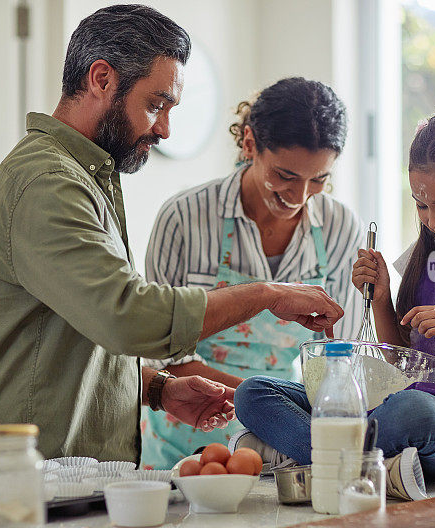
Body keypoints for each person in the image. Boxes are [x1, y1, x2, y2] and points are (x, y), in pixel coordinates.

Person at [0, 4, 344, 468]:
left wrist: (158, 389)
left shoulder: (85, 177)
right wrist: (265, 294)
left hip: (71, 478)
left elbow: (82, 336)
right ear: (101, 79)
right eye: (155, 104)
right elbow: (127, 317)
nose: (164, 128)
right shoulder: (47, 183)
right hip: (25, 480)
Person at [234, 110, 435, 500]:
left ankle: (309, 457)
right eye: (421, 206)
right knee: (254, 393)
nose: (432, 221)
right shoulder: (425, 255)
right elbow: (402, 364)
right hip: (396, 413)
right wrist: (382, 297)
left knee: (408, 411)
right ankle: (370, 467)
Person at [140, 78, 365, 470]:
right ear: (249, 144)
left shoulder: (340, 226)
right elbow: (162, 351)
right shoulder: (184, 219)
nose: (299, 197)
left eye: (319, 179)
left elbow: (339, 356)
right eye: (285, 175)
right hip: (183, 439)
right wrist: (265, 401)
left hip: (270, 444)